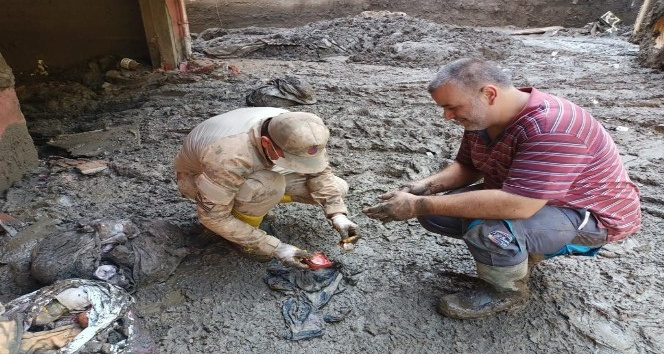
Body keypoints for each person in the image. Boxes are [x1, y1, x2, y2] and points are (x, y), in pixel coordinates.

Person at [363, 58, 641, 319]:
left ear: (489, 94)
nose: (447, 116)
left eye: (452, 107)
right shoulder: (482, 119)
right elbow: (467, 165)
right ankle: (522, 252)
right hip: (538, 199)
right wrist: (421, 189)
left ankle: (505, 291)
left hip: (588, 213)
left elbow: (519, 205)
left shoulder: (552, 127)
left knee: (490, 230)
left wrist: (417, 205)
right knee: (437, 213)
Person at [174, 107, 358, 269]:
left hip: (256, 168)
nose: (298, 165)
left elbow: (319, 171)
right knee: (268, 185)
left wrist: (337, 213)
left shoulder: (300, 129)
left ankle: (259, 203)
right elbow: (212, 216)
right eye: (292, 160)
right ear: (266, 143)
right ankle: (243, 229)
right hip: (200, 178)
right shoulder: (229, 156)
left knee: (338, 187)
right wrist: (273, 247)